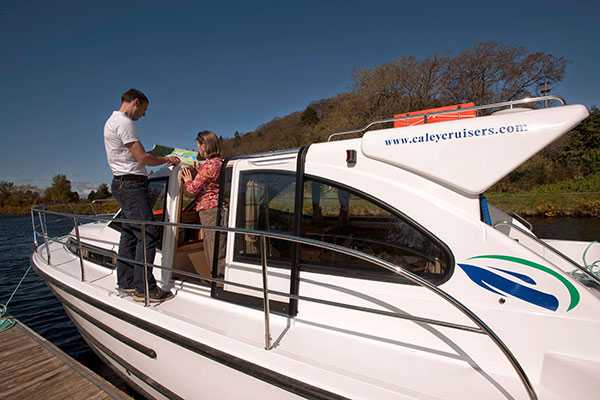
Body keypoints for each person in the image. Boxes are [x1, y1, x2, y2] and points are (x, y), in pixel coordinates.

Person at [104, 88, 180, 302]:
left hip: (122, 183)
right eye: (143, 110)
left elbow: (133, 156)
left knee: (129, 232)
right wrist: (167, 159)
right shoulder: (124, 123)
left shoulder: (111, 121)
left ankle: (126, 282)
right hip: (131, 185)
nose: (143, 115)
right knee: (147, 233)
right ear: (135, 102)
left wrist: (151, 155)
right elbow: (142, 158)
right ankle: (144, 288)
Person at [180, 131, 225, 271]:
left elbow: (192, 189)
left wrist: (187, 180)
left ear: (205, 145)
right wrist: (198, 168)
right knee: (216, 243)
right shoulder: (219, 162)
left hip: (209, 210)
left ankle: (217, 278)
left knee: (213, 246)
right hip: (216, 208)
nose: (198, 149)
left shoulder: (209, 165)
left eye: (199, 145)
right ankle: (216, 275)